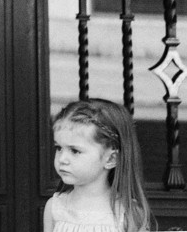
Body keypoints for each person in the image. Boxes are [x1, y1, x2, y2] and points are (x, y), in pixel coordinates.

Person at [44, 98, 153, 232]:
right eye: (59, 148)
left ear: (111, 159)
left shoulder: (128, 213)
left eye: (75, 151)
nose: (62, 159)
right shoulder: (55, 208)